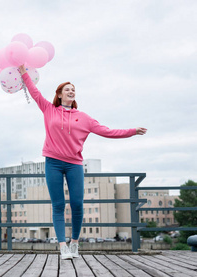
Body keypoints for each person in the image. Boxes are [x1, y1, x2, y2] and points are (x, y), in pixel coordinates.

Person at [18, 65, 147, 260]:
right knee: (58, 204)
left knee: (77, 204)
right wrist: (23, 73)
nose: (71, 91)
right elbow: (35, 92)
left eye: (73, 89)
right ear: (60, 94)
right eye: (67, 89)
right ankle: (62, 247)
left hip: (74, 164)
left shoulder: (84, 118)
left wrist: (131, 131)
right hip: (53, 162)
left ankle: (75, 243)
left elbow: (108, 132)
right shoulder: (49, 109)